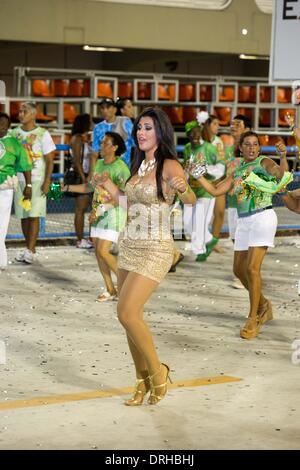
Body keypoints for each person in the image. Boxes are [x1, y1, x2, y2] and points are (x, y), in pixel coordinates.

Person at [97, 107, 195, 405]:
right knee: (129, 318)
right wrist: (109, 188)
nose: (141, 132)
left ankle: (158, 371)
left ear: (160, 132)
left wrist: (184, 187)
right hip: (130, 245)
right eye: (139, 127)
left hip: (156, 248)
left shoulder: (169, 165)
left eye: (148, 128)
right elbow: (128, 205)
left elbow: (189, 198)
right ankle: (141, 381)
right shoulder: (139, 164)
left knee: (126, 312)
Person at [192, 131, 290, 339]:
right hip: (244, 221)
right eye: (248, 145)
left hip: (263, 217)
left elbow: (280, 176)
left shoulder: (264, 162)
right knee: (238, 269)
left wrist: (282, 158)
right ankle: (264, 304)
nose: (252, 148)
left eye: (255, 144)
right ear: (241, 148)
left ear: (259, 148)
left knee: (252, 269)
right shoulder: (237, 171)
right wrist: (198, 176)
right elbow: (216, 191)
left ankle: (252, 318)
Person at [64, 132, 130, 301]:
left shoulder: (121, 168)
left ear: (114, 148)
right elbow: (89, 187)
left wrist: (103, 208)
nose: (100, 145)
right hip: (97, 214)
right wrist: (66, 188)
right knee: (98, 253)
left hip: (113, 214)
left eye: (105, 143)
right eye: (101, 142)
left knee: (103, 251)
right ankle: (110, 289)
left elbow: (124, 198)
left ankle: (127, 286)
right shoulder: (99, 164)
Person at [10, 102, 56, 264]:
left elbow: (50, 160)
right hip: (19, 180)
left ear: (34, 114)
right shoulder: (14, 133)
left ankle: (31, 249)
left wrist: (47, 181)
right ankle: (28, 248)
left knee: (34, 215)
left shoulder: (43, 134)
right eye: (20, 111)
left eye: (25, 111)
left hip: (37, 179)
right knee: (23, 216)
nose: (21, 114)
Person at [183, 120, 225, 262]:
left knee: (200, 223)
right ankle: (210, 240)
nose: (194, 135)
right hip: (192, 191)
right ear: (188, 135)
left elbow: (221, 167)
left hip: (206, 191)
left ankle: (203, 249)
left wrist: (207, 170)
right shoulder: (187, 148)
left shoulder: (209, 148)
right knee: (187, 223)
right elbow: (186, 168)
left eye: (196, 132)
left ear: (200, 132)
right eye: (191, 133)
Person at [0, 112, 32, 269]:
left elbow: (25, 165)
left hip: (5, 188)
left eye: (3, 125)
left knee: (2, 224)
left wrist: (29, 185)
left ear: (8, 127)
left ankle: (1, 261)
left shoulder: (14, 143)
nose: (0, 127)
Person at [225, 114, 252, 288]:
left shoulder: (251, 149)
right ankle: (243, 270)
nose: (233, 127)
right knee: (235, 237)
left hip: (248, 203)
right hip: (233, 201)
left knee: (246, 238)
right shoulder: (228, 148)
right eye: (232, 123)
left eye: (238, 124)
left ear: (247, 128)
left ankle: (247, 272)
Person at [69, 113, 97, 249]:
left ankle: (91, 238)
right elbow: (76, 160)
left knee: (93, 208)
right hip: (82, 176)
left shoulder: (86, 139)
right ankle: (80, 239)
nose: (92, 123)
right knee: (80, 208)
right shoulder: (77, 138)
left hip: (89, 175)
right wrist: (83, 177)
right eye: (90, 121)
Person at [201, 114, 226, 254]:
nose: (218, 126)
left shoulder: (219, 142)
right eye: (215, 123)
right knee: (203, 214)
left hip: (217, 180)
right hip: (202, 182)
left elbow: (221, 162)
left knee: (220, 212)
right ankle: (204, 240)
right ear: (207, 125)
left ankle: (214, 240)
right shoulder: (198, 141)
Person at [92, 98, 134, 169]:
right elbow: (95, 152)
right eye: (102, 108)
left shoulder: (125, 122)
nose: (105, 111)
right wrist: (92, 173)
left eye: (108, 108)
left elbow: (136, 143)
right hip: (105, 169)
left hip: (124, 168)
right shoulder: (97, 128)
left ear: (115, 109)